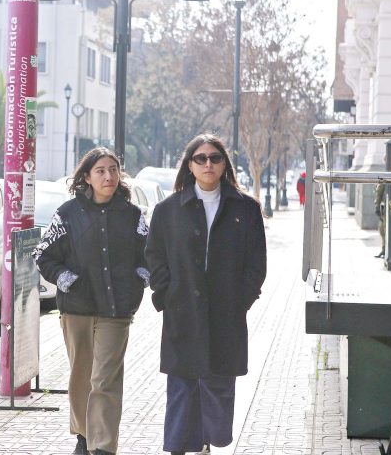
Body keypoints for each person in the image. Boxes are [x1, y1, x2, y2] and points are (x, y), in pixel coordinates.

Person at [145, 134, 267, 455]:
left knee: (218, 386)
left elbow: (256, 267)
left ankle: (207, 444)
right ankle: (183, 447)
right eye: (200, 158)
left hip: (225, 317)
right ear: (189, 165)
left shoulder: (247, 209)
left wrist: (239, 302)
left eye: (214, 157)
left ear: (224, 163)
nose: (208, 163)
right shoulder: (168, 210)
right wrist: (167, 296)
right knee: (183, 387)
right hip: (182, 315)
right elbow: (154, 258)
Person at [34, 147, 148, 455]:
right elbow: (43, 256)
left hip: (117, 311)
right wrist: (65, 278)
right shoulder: (67, 214)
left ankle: (103, 448)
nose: (109, 176)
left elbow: (149, 255)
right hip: (77, 309)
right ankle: (84, 437)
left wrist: (138, 281)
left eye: (113, 169)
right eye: (100, 170)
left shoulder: (133, 215)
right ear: (87, 176)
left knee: (105, 380)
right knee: (81, 377)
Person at [374, 182, 386, 258]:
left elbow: (379, 194)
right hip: (384, 208)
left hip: (388, 207)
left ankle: (385, 250)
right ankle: (384, 250)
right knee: (382, 230)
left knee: (384, 229)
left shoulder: (382, 182)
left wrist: (377, 207)